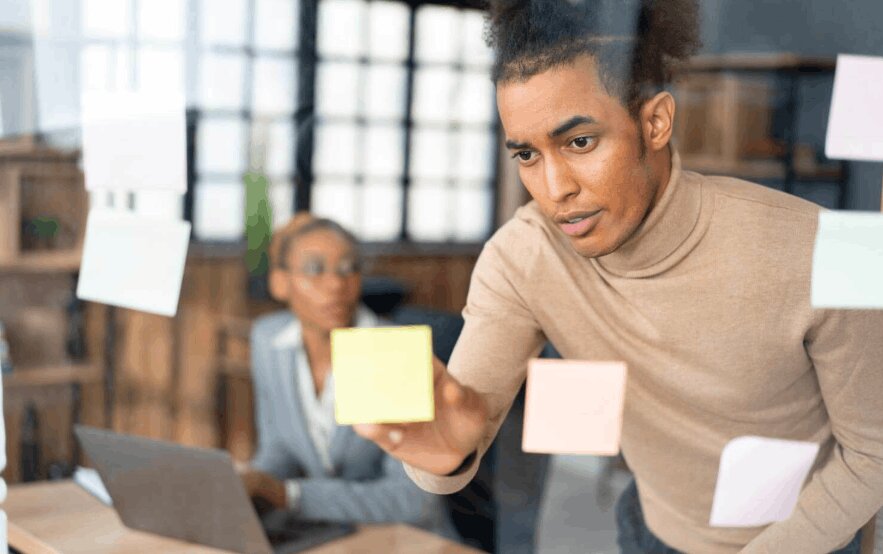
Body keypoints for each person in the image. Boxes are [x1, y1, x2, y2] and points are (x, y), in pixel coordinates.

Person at [353, 1, 883, 553]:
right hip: (651, 527)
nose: (555, 188)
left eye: (580, 142)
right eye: (527, 155)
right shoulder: (524, 256)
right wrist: (447, 455)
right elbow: (456, 440)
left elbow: (875, 452)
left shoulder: (832, 248)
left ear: (654, 122)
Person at [238, 213, 453, 537]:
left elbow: (415, 500)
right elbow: (278, 448)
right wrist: (249, 485)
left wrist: (290, 495)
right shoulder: (268, 340)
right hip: (324, 533)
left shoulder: (392, 351)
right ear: (280, 283)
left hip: (406, 539)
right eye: (314, 269)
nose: (337, 284)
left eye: (348, 268)